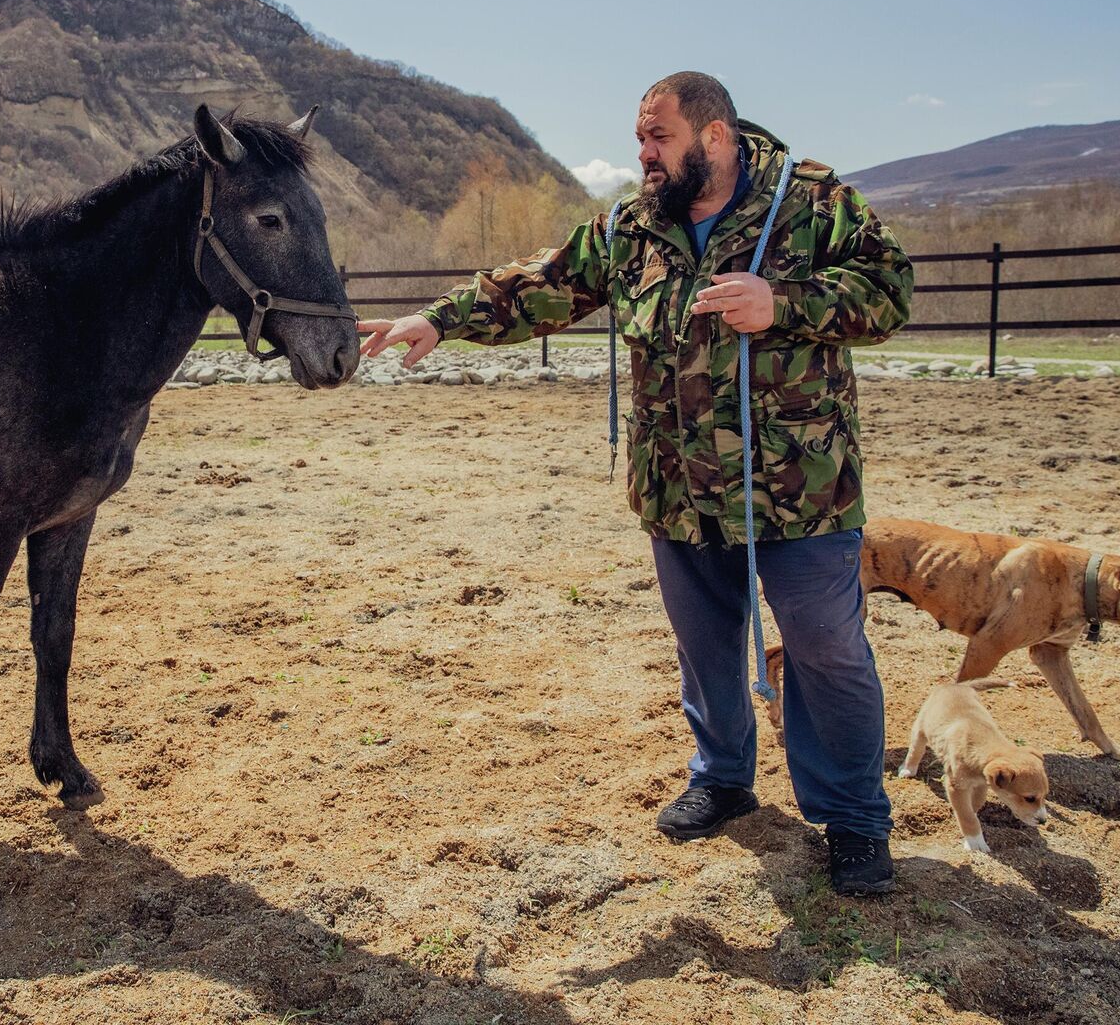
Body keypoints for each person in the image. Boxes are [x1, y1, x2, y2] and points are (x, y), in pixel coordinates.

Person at [358, 72, 914, 896]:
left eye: (660, 138)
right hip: (678, 488)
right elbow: (543, 283)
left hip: (800, 487)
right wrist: (442, 319)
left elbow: (892, 290)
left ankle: (855, 819)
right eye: (640, 139)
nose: (645, 154)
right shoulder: (631, 226)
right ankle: (724, 778)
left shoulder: (813, 200)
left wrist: (784, 304)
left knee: (827, 651)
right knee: (706, 647)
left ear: (715, 137)